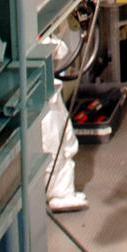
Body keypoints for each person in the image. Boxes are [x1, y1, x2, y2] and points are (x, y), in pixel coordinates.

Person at [41, 37, 88, 213]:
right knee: (55, 148)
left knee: (66, 139)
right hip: (43, 101)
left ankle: (66, 190)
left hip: (50, 94)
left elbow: (61, 50)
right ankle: (59, 195)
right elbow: (60, 49)